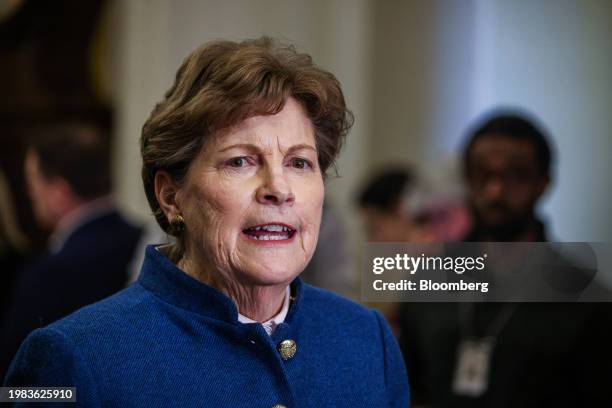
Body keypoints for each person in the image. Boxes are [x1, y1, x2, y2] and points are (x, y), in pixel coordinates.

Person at [4, 38, 410, 407]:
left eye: (299, 162)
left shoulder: (367, 340)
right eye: (241, 161)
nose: (279, 188)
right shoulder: (67, 357)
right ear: (171, 196)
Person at [398, 112, 612, 407]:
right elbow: (407, 388)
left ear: (543, 183)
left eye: (515, 176)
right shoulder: (429, 281)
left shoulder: (585, 300)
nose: (495, 190)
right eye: (482, 174)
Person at [0, 124, 142, 380]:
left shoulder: (48, 275)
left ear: (58, 193)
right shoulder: (145, 243)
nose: (30, 193)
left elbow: (18, 387)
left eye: (33, 183)